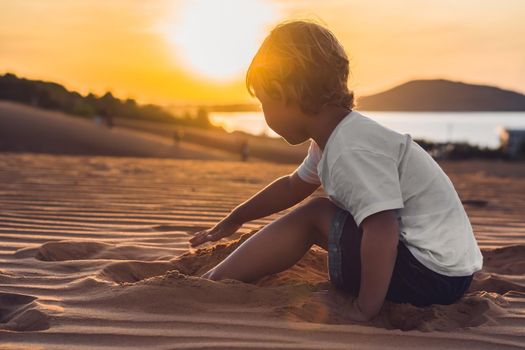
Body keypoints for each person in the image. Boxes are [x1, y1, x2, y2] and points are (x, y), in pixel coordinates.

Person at [189, 20, 483, 322]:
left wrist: (365, 308)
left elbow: (382, 227)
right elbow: (292, 185)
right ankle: (218, 276)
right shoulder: (338, 137)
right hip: (449, 275)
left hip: (428, 277)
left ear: (284, 92)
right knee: (317, 210)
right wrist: (235, 219)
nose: (264, 114)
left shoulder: (350, 148)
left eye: (264, 101)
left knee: (315, 215)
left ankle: (213, 281)